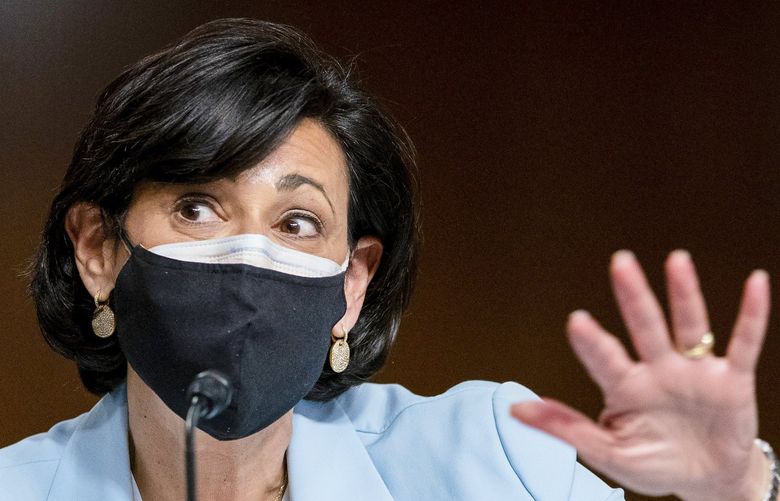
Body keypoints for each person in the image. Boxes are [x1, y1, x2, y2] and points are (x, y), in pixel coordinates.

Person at [0, 18, 776, 501]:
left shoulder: (494, 462)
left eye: (298, 220)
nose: (249, 253)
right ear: (98, 250)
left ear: (351, 285)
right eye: (198, 206)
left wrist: (739, 490)